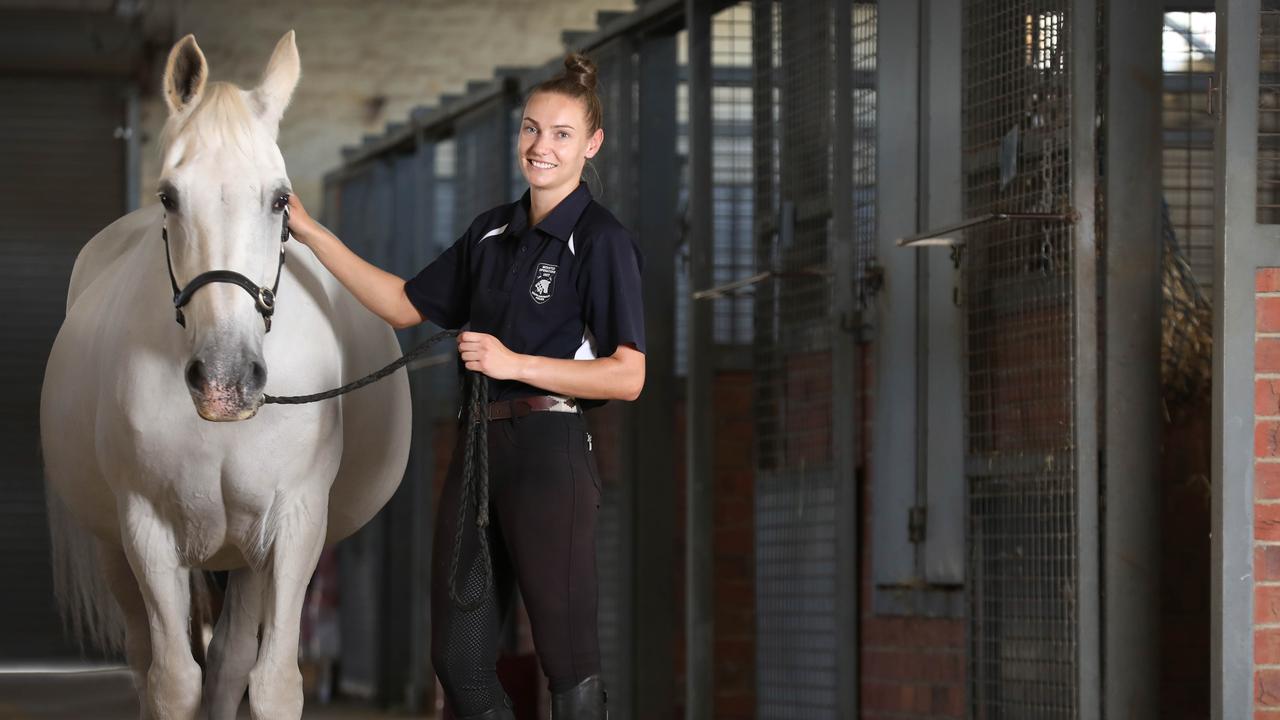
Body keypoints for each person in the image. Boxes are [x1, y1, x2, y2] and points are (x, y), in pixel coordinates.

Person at [286, 52, 645, 720]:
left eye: (562, 134)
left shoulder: (601, 241)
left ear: (591, 144)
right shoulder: (491, 231)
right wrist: (308, 233)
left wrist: (515, 364)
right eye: (531, 129)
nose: (542, 146)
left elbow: (629, 374)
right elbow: (399, 304)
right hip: (479, 454)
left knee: (568, 668)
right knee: (458, 659)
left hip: (551, 453)